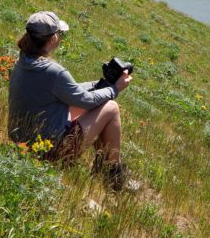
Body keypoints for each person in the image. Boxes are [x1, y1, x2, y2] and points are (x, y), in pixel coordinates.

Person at [8, 11, 132, 190]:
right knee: (111, 107)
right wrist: (114, 89)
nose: (61, 37)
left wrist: (100, 84)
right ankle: (113, 175)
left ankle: (105, 168)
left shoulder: (22, 62)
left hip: (22, 145)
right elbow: (86, 100)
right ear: (52, 39)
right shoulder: (54, 72)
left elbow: (70, 92)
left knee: (97, 104)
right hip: (49, 152)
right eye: (60, 33)